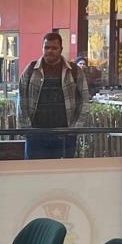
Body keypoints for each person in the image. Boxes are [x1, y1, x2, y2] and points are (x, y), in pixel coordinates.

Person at [18, 30, 89, 159]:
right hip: (36, 135)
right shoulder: (30, 70)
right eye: (46, 47)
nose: (50, 51)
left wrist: (75, 128)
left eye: (54, 48)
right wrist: (27, 129)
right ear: (42, 48)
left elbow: (84, 101)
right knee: (33, 171)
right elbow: (22, 100)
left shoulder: (75, 71)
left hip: (65, 135)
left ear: (61, 49)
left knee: (63, 171)